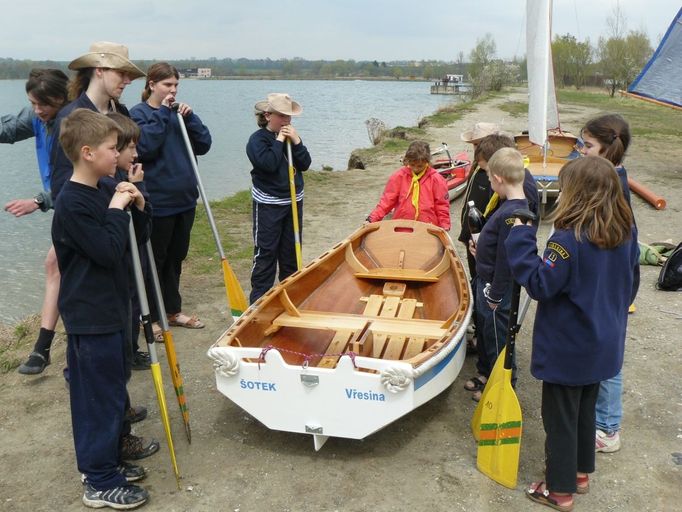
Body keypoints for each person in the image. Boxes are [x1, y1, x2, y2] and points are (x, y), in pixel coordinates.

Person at [506, 156, 638, 511]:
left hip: (569, 346)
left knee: (560, 419)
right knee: (584, 412)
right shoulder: (623, 233)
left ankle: (559, 491)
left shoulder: (567, 241)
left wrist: (520, 236)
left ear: (575, 195)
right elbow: (632, 282)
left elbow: (540, 284)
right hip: (602, 342)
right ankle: (580, 474)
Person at [50, 41, 157, 459]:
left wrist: (131, 196)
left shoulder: (119, 116)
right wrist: (110, 206)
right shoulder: (73, 120)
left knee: (116, 349)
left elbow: (118, 169)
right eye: (121, 74)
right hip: (93, 245)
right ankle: (108, 447)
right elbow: (68, 190)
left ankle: (118, 428)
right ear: (98, 71)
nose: (128, 81)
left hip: (114, 240)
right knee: (96, 368)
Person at [52, 109, 151, 509]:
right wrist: (116, 206)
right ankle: (98, 478)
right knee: (97, 399)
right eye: (113, 149)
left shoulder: (104, 188)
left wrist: (139, 205)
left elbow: (134, 240)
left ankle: (109, 461)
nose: (119, 155)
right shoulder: (72, 203)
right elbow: (108, 251)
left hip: (113, 308)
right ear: (88, 152)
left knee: (113, 393)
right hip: (89, 316)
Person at [131, 62, 212, 330]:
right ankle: (152, 317)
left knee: (176, 258)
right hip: (158, 201)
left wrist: (191, 118)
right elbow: (146, 147)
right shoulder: (140, 114)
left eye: (176, 85)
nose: (173, 91)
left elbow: (204, 144)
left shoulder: (180, 114)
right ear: (152, 85)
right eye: (167, 85)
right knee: (155, 261)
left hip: (185, 199)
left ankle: (173, 311)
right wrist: (164, 113)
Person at [1, 69, 68, 374]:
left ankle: (43, 348)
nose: (39, 111)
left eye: (45, 105)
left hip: (84, 205)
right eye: (33, 103)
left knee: (55, 266)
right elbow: (9, 130)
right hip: (64, 207)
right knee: (56, 266)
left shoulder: (72, 122)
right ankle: (43, 348)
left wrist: (39, 201)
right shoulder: (37, 116)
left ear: (62, 99)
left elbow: (78, 179)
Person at [579, 113, 638, 453]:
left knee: (609, 355)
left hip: (612, 284)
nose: (582, 152)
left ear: (608, 149)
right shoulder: (614, 178)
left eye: (587, 146)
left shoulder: (611, 186)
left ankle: (608, 427)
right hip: (612, 284)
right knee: (606, 349)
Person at [465, 148, 529, 402]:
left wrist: (494, 293)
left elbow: (507, 259)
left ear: (499, 178)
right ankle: (493, 380)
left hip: (494, 289)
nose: (489, 184)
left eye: (490, 180)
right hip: (490, 281)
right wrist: (480, 249)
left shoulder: (511, 214)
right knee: (491, 336)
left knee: (497, 339)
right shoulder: (511, 207)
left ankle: (502, 388)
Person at [246, 93, 311, 303]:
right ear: (268, 115)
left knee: (291, 254)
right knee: (266, 254)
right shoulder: (257, 140)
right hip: (268, 205)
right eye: (282, 116)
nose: (286, 121)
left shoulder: (292, 138)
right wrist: (280, 140)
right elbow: (269, 164)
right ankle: (258, 302)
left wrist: (297, 141)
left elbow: (305, 164)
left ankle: (290, 296)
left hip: (292, 201)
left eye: (289, 117)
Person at [104, 112, 151, 371]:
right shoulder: (110, 186)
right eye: (130, 147)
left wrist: (138, 189)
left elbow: (143, 231)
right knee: (128, 305)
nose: (135, 154)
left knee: (134, 302)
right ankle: (126, 352)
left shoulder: (124, 180)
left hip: (134, 262)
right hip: (122, 267)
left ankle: (130, 349)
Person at [367, 140, 450, 229]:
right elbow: (386, 202)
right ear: (407, 161)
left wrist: (444, 225)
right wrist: (371, 219)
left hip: (427, 228)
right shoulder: (398, 177)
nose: (415, 169)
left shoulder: (436, 179)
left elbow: (442, 206)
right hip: (401, 227)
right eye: (412, 164)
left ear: (427, 162)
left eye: (420, 166)